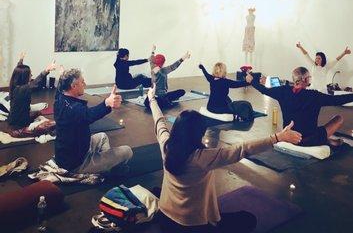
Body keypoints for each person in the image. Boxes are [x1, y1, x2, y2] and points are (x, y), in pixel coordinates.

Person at [147, 84, 301, 233]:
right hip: (192, 226)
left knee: (158, 190)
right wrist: (277, 137)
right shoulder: (203, 157)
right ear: (198, 134)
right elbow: (242, 149)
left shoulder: (166, 145)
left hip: (165, 219)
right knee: (248, 220)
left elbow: (159, 121)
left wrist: (151, 98)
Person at [246, 66, 353, 146]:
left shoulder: (283, 91)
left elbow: (264, 90)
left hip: (288, 136)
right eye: (309, 78)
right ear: (305, 80)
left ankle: (327, 140)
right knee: (338, 119)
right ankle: (325, 140)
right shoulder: (314, 95)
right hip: (309, 139)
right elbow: (338, 100)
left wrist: (252, 81)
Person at [54, 68, 133, 173]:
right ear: (73, 86)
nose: (85, 84)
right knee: (127, 151)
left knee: (102, 136)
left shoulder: (59, 97)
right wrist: (107, 103)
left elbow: (60, 86)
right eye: (82, 82)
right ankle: (106, 169)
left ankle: (106, 166)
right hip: (77, 163)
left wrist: (63, 74)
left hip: (71, 153)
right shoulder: (75, 109)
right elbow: (89, 115)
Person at [8, 52, 56, 136]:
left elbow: (18, 70)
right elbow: (36, 83)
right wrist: (47, 70)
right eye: (30, 74)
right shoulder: (22, 90)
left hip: (17, 120)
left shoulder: (15, 85)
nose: (31, 75)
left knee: (38, 113)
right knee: (50, 126)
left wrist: (21, 60)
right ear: (24, 77)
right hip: (19, 126)